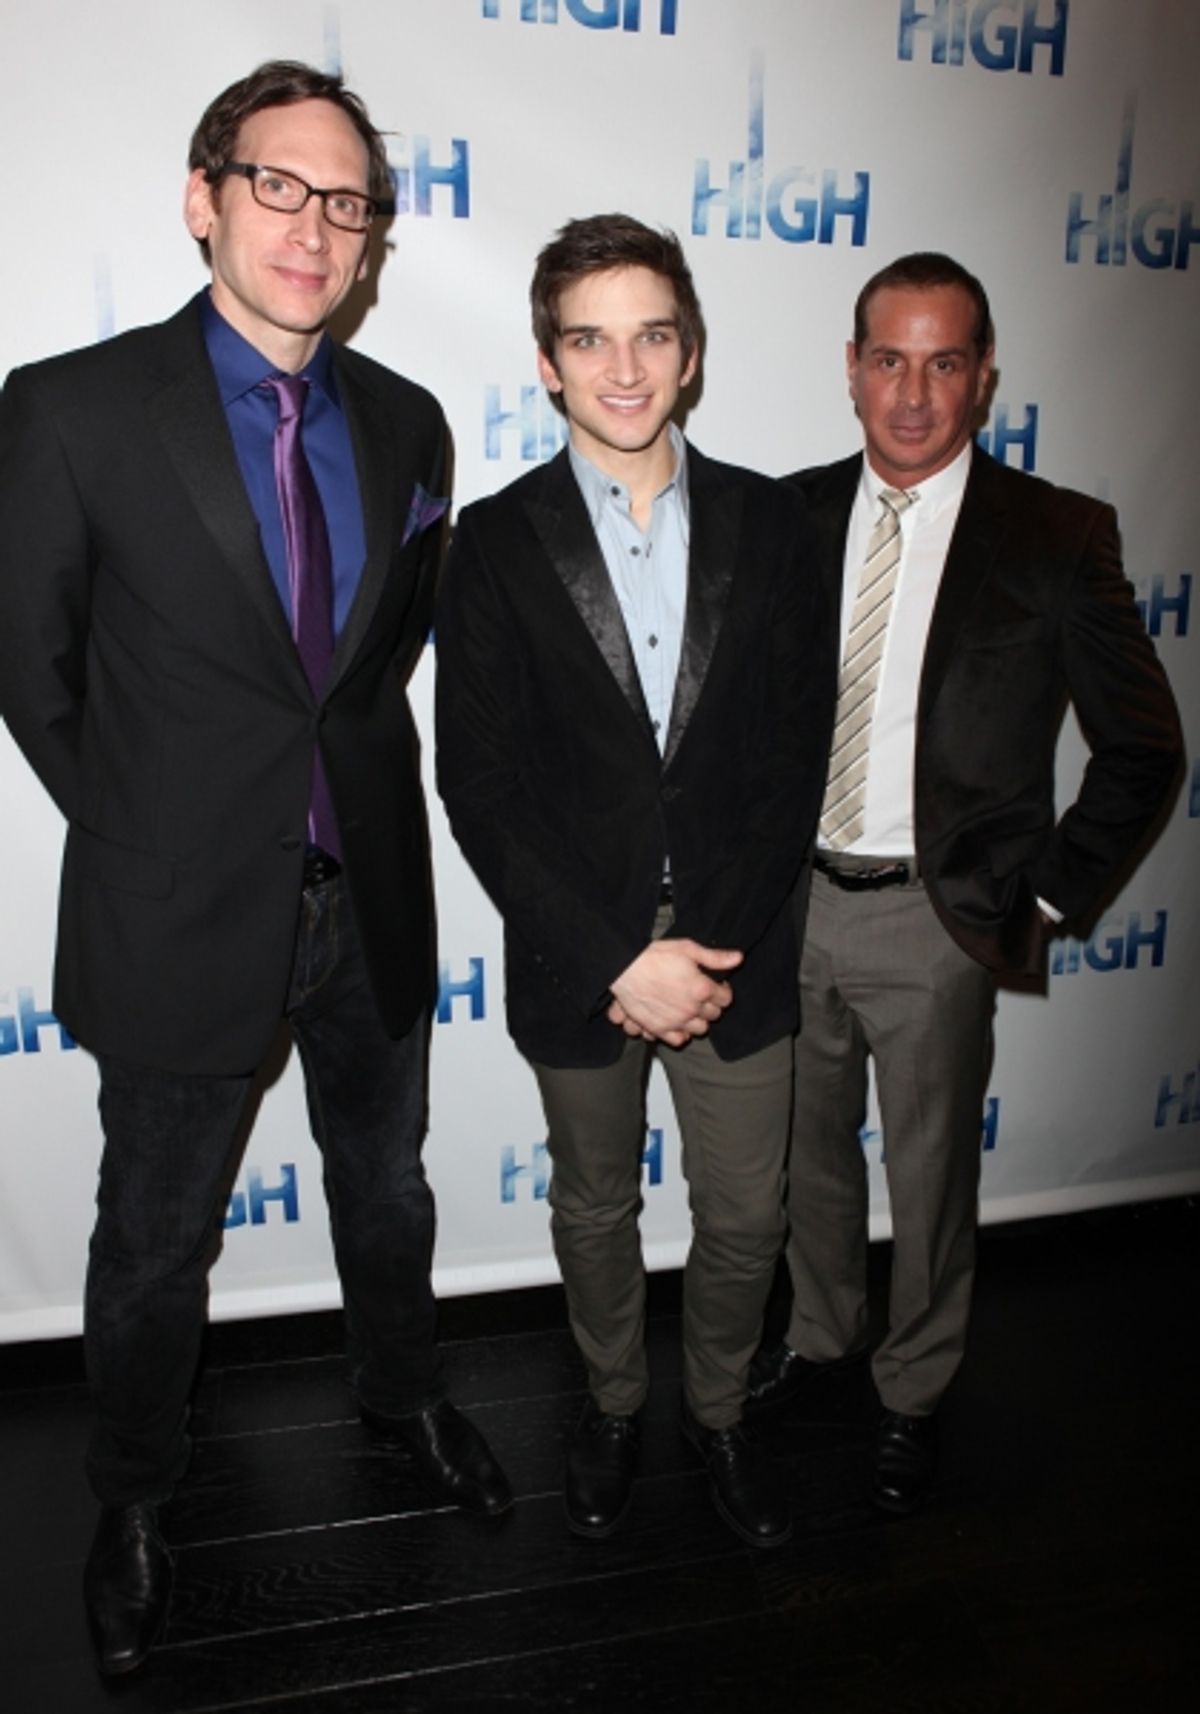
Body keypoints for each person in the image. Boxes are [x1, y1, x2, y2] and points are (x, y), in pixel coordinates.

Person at [0, 61, 510, 1678]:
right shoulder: (68, 407)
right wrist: (155, 824)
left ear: (371, 240)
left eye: (345, 200)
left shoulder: (415, 423)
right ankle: (136, 1495)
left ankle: (403, 1391)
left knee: (392, 1183)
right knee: (153, 1240)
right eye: (279, 185)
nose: (314, 224)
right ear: (202, 194)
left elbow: (374, 661)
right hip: (177, 907)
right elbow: (32, 661)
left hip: (372, 890)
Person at [748, 252, 1183, 1513]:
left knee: (930, 1177)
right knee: (805, 1158)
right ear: (850, 369)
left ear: (984, 377)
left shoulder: (1056, 535)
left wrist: (1041, 898)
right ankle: (825, 1336)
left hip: (938, 922)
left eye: (945, 363)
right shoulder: (783, 518)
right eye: (889, 359)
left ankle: (915, 1385)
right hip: (789, 906)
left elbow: (1145, 744)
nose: (914, 395)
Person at [435, 214, 834, 1549]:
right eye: (590, 337)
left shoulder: (773, 523)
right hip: (577, 954)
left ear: (692, 349)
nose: (624, 365)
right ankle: (612, 1401)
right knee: (594, 1204)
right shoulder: (491, 544)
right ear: (546, 362)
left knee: (744, 1212)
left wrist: (702, 942)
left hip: (739, 948)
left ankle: (717, 1414)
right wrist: (620, 955)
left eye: (651, 332)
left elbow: (795, 750)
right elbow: (478, 784)